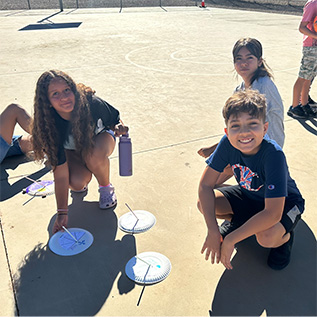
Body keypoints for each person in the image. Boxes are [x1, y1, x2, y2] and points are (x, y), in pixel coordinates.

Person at [197, 89, 305, 270]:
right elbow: (205, 185)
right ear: (227, 131)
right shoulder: (227, 143)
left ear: (265, 128)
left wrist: (231, 239)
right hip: (251, 195)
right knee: (204, 203)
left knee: (267, 237)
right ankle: (243, 223)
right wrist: (212, 229)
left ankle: (284, 238)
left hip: (285, 203)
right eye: (236, 126)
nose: (244, 132)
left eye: (252, 123)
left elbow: (273, 214)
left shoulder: (273, 155)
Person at [31, 70, 128, 234]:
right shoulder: (50, 127)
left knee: (93, 156)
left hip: (100, 141)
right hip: (73, 151)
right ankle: (84, 170)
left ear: (73, 89)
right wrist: (62, 213)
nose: (64, 97)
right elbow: (60, 175)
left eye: (67, 90)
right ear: (47, 101)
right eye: (55, 94)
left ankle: (105, 187)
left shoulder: (90, 102)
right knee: (76, 182)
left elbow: (114, 119)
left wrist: (118, 127)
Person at [198, 37, 285, 185]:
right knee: (211, 184)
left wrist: (215, 149)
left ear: (259, 61)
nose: (243, 63)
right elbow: (239, 127)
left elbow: (249, 129)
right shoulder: (240, 90)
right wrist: (215, 148)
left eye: (249, 58)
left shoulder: (263, 85)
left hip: (263, 145)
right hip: (249, 141)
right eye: (239, 58)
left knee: (212, 184)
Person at [288, 0, 317, 119]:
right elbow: (302, 27)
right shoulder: (312, 4)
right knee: (303, 76)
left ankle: (304, 104)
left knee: (309, 77)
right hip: (310, 46)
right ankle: (294, 107)